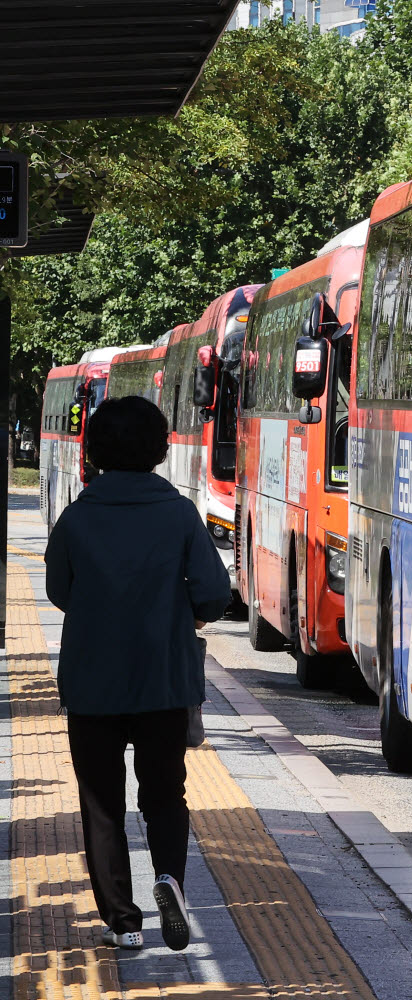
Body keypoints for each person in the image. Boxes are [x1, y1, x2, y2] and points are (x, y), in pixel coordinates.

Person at [45, 395, 231, 952]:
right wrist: (186, 610)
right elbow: (216, 593)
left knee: (102, 802)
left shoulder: (77, 517)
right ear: (160, 448)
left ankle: (123, 922)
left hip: (92, 683)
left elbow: (59, 591)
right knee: (164, 792)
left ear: (95, 450)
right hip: (163, 682)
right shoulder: (178, 513)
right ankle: (169, 879)